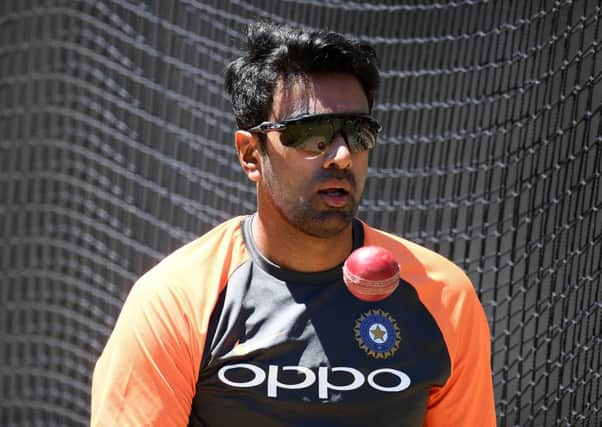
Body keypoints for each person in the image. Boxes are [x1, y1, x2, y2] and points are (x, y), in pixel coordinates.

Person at [91, 22, 495, 426]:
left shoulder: (442, 295)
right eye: (311, 133)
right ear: (251, 154)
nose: (340, 155)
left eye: (358, 132)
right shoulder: (175, 300)